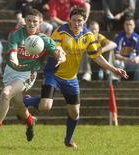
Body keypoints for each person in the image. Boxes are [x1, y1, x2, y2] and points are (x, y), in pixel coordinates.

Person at [23, 7, 128, 148]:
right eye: (74, 20)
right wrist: (60, 56)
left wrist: (114, 69)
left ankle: (68, 140)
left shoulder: (88, 36)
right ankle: (28, 100)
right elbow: (55, 49)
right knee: (45, 107)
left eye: (80, 21)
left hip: (71, 78)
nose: (76, 23)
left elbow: (97, 56)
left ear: (84, 22)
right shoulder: (60, 31)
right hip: (54, 74)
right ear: (69, 20)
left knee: (75, 112)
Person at [0, 9, 66, 143]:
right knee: (18, 105)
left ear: (40, 22)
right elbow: (13, 52)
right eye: (29, 21)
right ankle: (31, 121)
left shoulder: (44, 40)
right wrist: (14, 59)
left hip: (27, 73)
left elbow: (58, 51)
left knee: (5, 94)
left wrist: (60, 56)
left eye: (35, 21)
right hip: (11, 71)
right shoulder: (16, 35)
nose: (32, 24)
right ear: (25, 21)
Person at [114, 16, 139, 81]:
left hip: (133, 62)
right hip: (122, 62)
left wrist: (137, 58)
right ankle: (116, 81)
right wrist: (127, 59)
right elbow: (116, 55)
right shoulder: (119, 37)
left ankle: (136, 84)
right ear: (124, 26)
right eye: (127, 24)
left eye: (130, 24)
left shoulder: (137, 38)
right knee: (116, 62)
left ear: (134, 26)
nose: (128, 27)